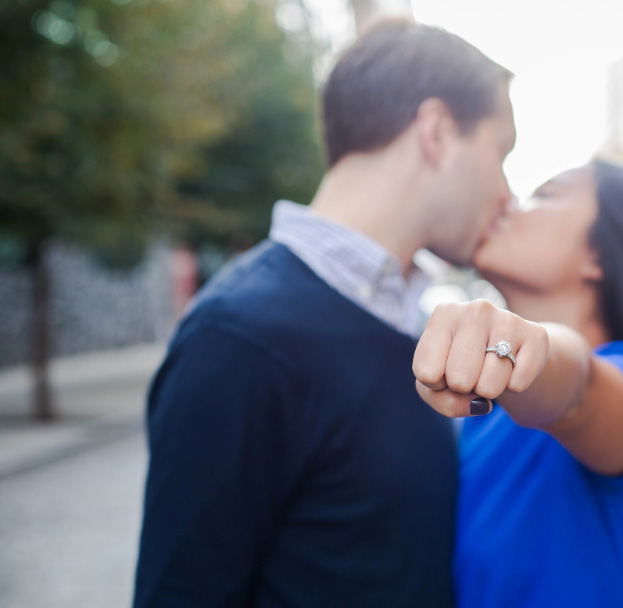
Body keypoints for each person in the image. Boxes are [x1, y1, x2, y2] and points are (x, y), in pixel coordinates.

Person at [133, 20, 515, 607]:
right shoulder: (237, 338)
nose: (507, 192)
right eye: (502, 152)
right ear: (436, 132)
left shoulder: (407, 316)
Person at [413, 160, 623, 607]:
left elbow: (575, 386)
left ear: (601, 255)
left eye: (545, 194)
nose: (510, 204)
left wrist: (516, 342)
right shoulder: (482, 413)